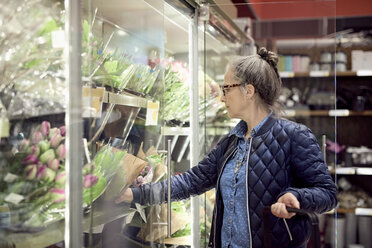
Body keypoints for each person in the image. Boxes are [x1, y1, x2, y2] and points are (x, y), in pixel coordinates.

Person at [115, 47, 338, 248]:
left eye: (226, 89)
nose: (222, 98)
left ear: (249, 91)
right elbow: (192, 181)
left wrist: (296, 196)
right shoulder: (232, 141)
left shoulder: (294, 136)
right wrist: (134, 194)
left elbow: (328, 194)